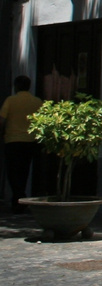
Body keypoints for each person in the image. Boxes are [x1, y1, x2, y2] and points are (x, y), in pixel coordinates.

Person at [1, 77, 44, 212]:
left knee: (13, 172)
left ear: (16, 86)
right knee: (24, 170)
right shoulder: (37, 102)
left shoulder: (11, 100)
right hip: (30, 141)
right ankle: (19, 198)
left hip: (13, 141)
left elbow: (2, 120)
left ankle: (19, 197)